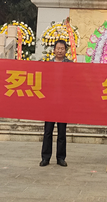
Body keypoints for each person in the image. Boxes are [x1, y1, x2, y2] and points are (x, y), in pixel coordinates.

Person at [40, 39, 72, 167]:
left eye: (62, 48)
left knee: (62, 131)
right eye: (58, 48)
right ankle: (45, 157)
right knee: (47, 131)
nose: (60, 50)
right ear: (54, 50)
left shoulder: (70, 65)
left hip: (63, 102)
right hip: (50, 102)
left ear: (65, 50)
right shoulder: (48, 64)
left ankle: (61, 157)